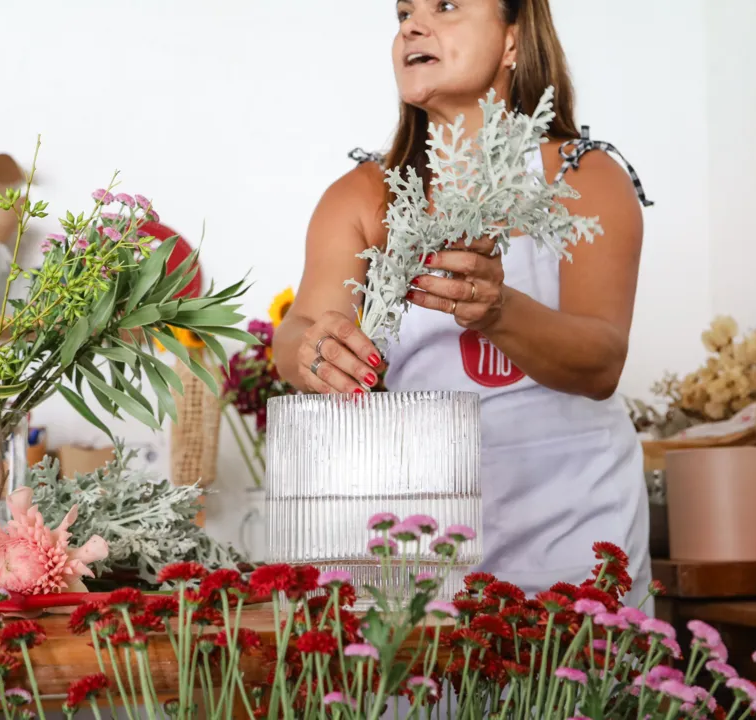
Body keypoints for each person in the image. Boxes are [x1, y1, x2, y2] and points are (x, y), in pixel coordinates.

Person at [272, 0, 654, 609]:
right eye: (403, 13)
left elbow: (601, 362)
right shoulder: (361, 197)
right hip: (416, 539)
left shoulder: (586, 176)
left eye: (446, 6)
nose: (411, 27)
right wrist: (315, 352)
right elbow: (296, 333)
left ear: (513, 40)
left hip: (571, 529)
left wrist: (499, 310)